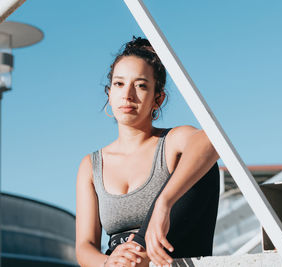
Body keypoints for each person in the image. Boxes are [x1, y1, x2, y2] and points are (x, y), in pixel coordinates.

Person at [75, 37, 220, 267]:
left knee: (202, 166)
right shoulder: (91, 165)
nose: (128, 95)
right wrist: (108, 263)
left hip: (168, 256)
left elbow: (211, 141)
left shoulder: (171, 142)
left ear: (158, 98)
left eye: (141, 85)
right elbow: (84, 247)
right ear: (109, 94)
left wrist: (164, 204)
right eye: (119, 84)